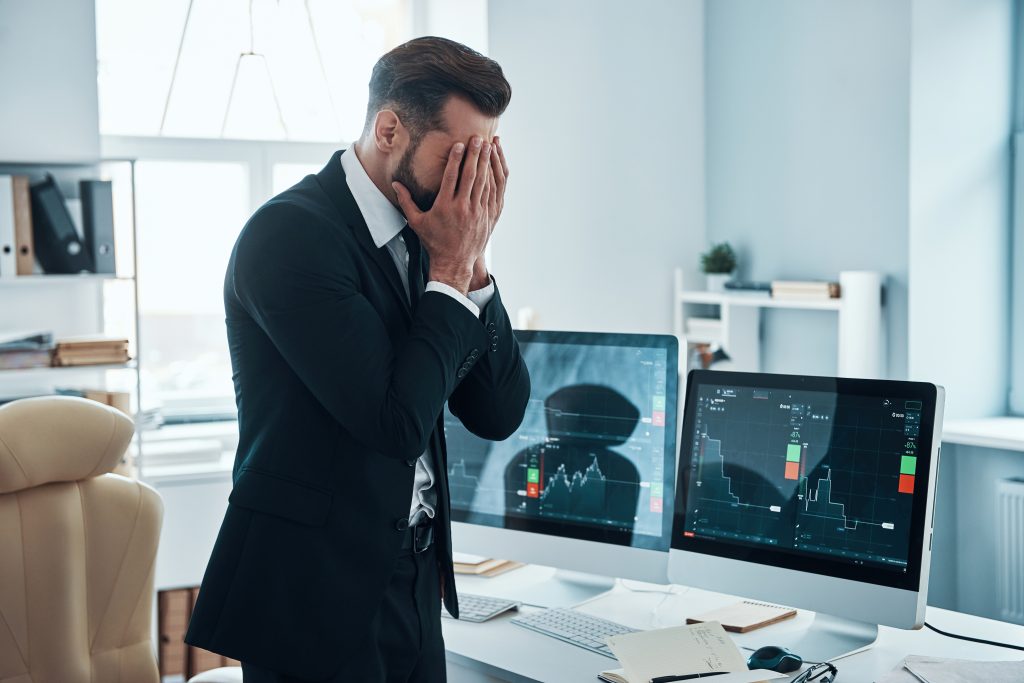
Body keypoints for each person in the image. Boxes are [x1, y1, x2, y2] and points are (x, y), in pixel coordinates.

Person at [184, 36, 531, 683]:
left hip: (415, 581)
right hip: (312, 593)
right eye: (457, 157)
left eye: (484, 159)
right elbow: (394, 422)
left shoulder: (437, 237)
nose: (471, 183)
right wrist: (452, 269)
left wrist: (474, 268)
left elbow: (499, 411)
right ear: (389, 128)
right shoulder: (288, 237)